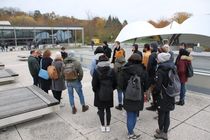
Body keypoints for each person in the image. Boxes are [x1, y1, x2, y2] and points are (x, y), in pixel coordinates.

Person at [118, 53, 148, 139]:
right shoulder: (143, 70)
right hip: (139, 95)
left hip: (128, 95)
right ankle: (131, 132)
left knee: (130, 114)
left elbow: (120, 84)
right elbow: (146, 84)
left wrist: (125, 89)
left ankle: (130, 132)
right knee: (135, 113)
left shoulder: (124, 69)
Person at [92, 55, 117, 132]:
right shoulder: (111, 70)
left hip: (99, 93)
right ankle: (108, 126)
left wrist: (96, 90)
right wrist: (111, 89)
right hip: (109, 92)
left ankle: (103, 126)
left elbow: (94, 84)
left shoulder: (96, 71)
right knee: (108, 109)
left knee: (101, 110)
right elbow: (115, 82)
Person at [154, 52, 176, 140]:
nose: (157, 60)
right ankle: (165, 131)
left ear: (161, 60)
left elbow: (158, 87)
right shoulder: (173, 67)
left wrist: (155, 92)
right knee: (167, 113)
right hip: (171, 94)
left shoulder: (160, 70)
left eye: (158, 58)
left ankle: (161, 131)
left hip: (162, 95)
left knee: (161, 114)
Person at [146, 42, 158, 110]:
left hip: (151, 75)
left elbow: (149, 66)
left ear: (152, 47)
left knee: (153, 90)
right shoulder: (156, 54)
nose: (149, 47)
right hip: (155, 74)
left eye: (150, 46)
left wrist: (147, 73)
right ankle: (155, 103)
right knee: (154, 90)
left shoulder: (152, 55)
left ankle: (154, 105)